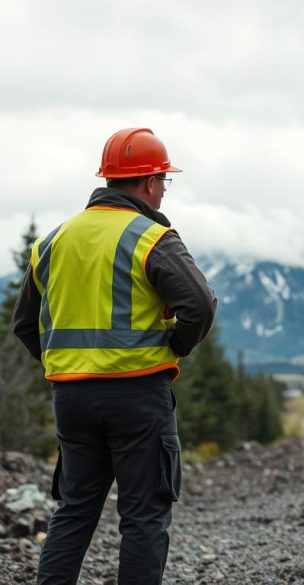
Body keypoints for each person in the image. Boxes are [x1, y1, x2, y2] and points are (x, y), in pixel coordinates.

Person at [11, 128, 217, 585]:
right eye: (164, 179)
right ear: (148, 182)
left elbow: (25, 326)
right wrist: (175, 345)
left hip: (72, 400)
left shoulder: (52, 242)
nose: (164, 188)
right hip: (138, 395)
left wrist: (67, 367)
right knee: (143, 516)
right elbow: (200, 306)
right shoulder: (151, 237)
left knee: (75, 510)